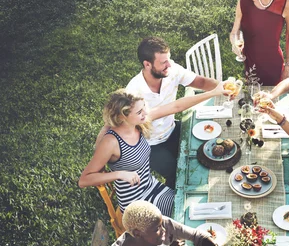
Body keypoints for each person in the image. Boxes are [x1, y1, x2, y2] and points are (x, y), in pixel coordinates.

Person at [79, 85, 225, 216]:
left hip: (152, 187)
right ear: (122, 117)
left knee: (192, 201)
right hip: (135, 202)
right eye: (139, 111)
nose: (144, 113)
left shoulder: (138, 123)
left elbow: (176, 107)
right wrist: (119, 174)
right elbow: (84, 180)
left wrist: (213, 92)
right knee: (187, 212)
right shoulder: (111, 142)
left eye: (144, 108)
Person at [126, 36, 222, 188]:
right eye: (163, 62)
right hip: (150, 144)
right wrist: (214, 93)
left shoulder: (172, 70)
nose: (169, 65)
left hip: (171, 129)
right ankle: (174, 207)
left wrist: (223, 87)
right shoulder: (133, 93)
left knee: (205, 152)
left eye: (168, 59)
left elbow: (201, 82)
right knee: (177, 176)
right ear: (147, 64)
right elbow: (174, 108)